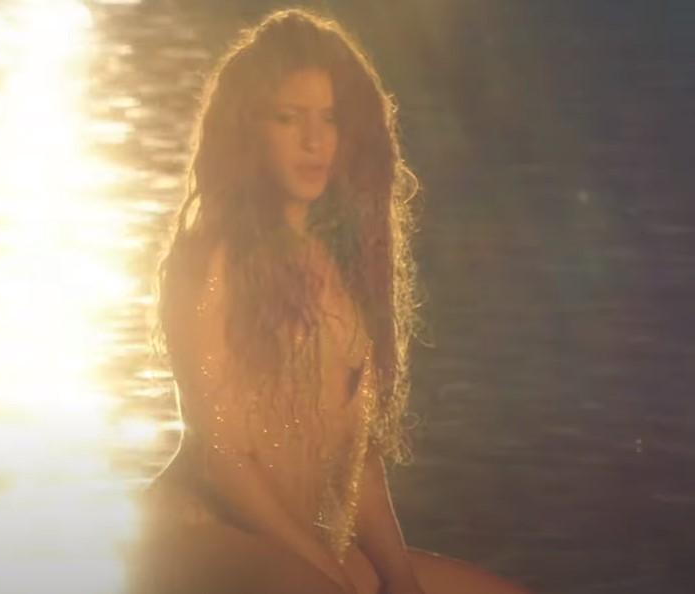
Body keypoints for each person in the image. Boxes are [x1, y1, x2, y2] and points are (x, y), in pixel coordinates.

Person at [126, 8, 532, 594]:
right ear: (249, 129)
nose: (314, 141)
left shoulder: (345, 267)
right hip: (197, 537)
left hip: (300, 548)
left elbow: (357, 461)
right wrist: (329, 572)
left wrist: (401, 582)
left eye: (330, 119)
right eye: (289, 118)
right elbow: (222, 456)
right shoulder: (210, 260)